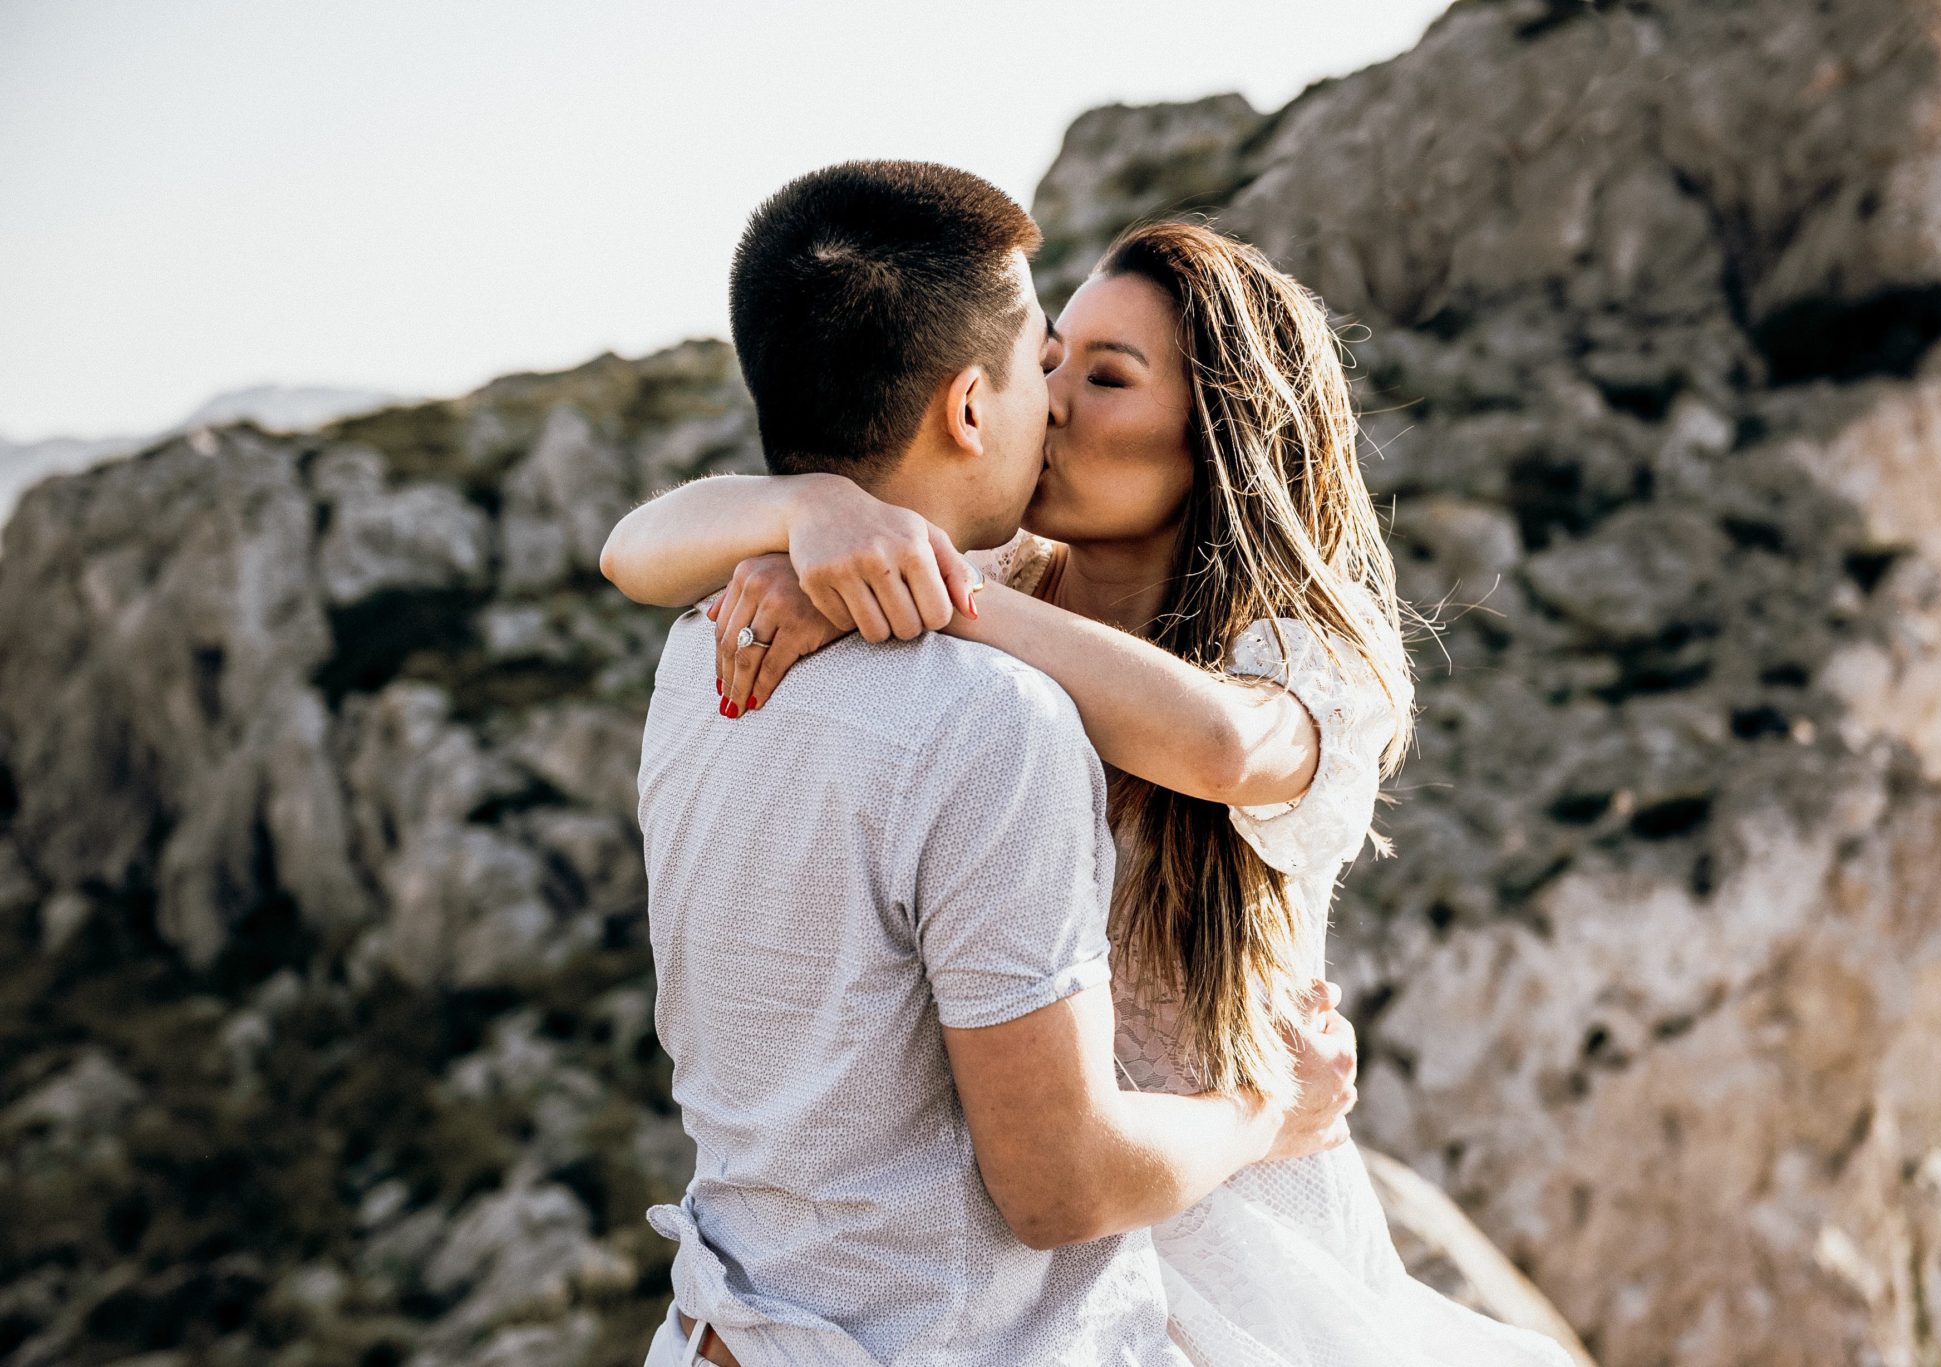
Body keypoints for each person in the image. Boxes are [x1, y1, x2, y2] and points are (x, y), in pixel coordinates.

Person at [606, 214, 1579, 1367]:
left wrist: (910, 581)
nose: (1053, 398)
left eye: (1107, 377)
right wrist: (817, 515)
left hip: (1231, 1239)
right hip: (1026, 1263)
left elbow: (1218, 746)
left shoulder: (1307, 664)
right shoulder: (1000, 577)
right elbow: (634, 549)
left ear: (1215, 437)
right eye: (1052, 358)